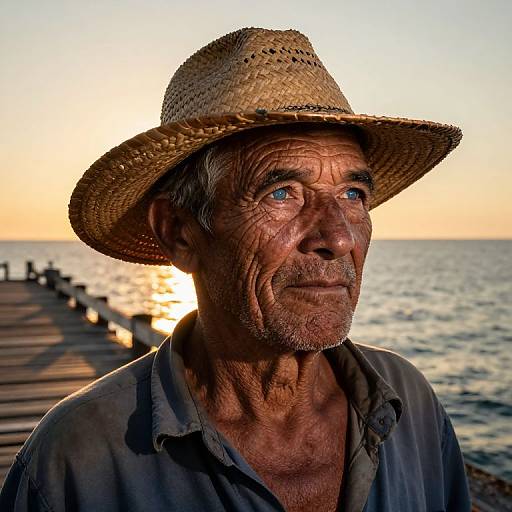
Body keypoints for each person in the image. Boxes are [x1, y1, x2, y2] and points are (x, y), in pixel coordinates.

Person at [0, 27, 471, 511]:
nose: (338, 237)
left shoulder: (409, 402)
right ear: (180, 232)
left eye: (353, 195)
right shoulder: (76, 462)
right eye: (282, 193)